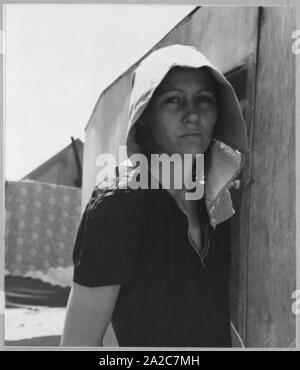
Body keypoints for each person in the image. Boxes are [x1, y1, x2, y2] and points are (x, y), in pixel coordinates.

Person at [61, 44, 248, 347]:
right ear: (144, 116)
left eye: (204, 100)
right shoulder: (120, 202)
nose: (192, 115)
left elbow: (211, 312)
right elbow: (78, 343)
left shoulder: (213, 204)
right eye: (173, 100)